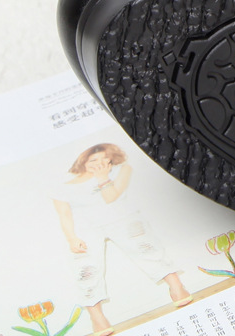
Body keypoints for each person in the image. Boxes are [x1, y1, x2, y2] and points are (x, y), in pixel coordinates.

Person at [52, 143, 192, 334]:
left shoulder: (122, 170)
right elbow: (64, 215)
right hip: (87, 229)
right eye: (93, 160)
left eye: (105, 159)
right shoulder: (63, 187)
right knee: (86, 270)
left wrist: (102, 178)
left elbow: (111, 197)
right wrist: (71, 238)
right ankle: (97, 317)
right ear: (83, 161)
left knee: (148, 250)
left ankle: (177, 288)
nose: (99, 163)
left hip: (123, 218)